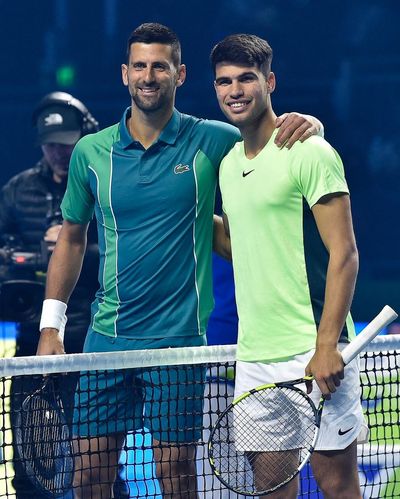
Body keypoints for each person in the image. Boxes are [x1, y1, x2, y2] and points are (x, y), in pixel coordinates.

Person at [36, 23, 324, 499]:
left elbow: (270, 135)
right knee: (89, 476)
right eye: (140, 66)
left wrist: (311, 123)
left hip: (181, 344)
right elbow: (70, 238)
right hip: (105, 341)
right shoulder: (92, 152)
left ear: (180, 74)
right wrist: (52, 327)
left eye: (160, 66)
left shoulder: (212, 139)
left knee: (177, 476)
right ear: (125, 74)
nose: (149, 76)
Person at [211, 34, 367, 499]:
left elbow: (345, 253)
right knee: (271, 489)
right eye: (224, 81)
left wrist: (325, 345)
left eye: (246, 78)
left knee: (336, 484)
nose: (234, 90)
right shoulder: (227, 164)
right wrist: (192, 219)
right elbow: (247, 250)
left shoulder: (309, 151)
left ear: (269, 82)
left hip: (313, 350)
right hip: (256, 358)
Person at [0, 92, 129, 499]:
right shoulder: (17, 190)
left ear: (84, 135)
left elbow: (123, 250)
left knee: (97, 458)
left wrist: (75, 245)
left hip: (92, 337)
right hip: (32, 342)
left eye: (66, 143)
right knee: (29, 461)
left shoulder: (105, 181)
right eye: (51, 144)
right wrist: (36, 253)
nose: (58, 152)